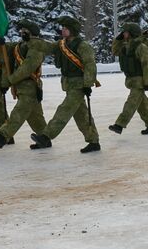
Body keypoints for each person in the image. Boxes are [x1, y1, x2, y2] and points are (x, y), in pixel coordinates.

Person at [31, 16, 100, 153]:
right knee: (82, 115)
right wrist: (32, 41)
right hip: (69, 85)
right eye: (62, 28)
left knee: (64, 110)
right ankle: (93, 141)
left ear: (73, 30)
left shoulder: (82, 46)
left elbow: (90, 65)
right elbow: (48, 47)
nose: (62, 31)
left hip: (79, 85)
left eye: (66, 28)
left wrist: (87, 84)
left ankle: (46, 136)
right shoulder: (62, 44)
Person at [0, 20, 49, 148]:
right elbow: (4, 50)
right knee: (34, 116)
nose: (21, 33)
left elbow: (27, 68)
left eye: (24, 31)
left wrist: (11, 80)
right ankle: (45, 138)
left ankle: (2, 136)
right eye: (21, 31)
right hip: (21, 86)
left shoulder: (37, 47)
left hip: (30, 86)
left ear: (31, 33)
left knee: (19, 112)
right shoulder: (19, 45)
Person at [108, 22, 148, 136]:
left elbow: (147, 65)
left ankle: (119, 125)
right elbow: (115, 51)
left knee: (131, 103)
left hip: (139, 80)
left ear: (131, 33)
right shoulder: (125, 46)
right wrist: (118, 39)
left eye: (125, 32)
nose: (124, 33)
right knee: (143, 106)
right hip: (131, 79)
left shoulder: (141, 47)